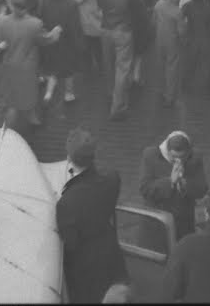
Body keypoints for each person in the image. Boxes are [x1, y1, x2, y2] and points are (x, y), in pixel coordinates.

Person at [55, 129, 129, 305]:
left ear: (69, 158)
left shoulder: (66, 203)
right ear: (93, 155)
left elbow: (70, 243)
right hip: (112, 258)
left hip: (85, 273)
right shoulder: (112, 178)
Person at [0, 0, 61, 129]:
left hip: (9, 65)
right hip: (28, 67)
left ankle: (8, 131)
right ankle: (32, 118)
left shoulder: (2, 21)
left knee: (12, 102)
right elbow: (47, 40)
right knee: (29, 95)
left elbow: (0, 43)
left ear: (11, 6)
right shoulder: (35, 23)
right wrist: (56, 31)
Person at [139, 131, 209, 240]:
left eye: (182, 158)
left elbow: (202, 189)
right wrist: (170, 182)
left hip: (185, 224)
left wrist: (185, 183)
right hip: (157, 224)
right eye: (174, 157)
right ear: (167, 151)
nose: (178, 161)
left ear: (188, 152)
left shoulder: (196, 157)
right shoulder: (150, 155)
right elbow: (145, 189)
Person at [96, 0, 135, 120]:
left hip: (106, 29)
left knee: (109, 64)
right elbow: (133, 9)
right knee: (122, 69)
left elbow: (100, 5)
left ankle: (111, 92)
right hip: (123, 30)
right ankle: (118, 107)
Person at [153, 0, 185, 107]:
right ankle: (170, 96)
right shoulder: (177, 12)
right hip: (172, 42)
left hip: (159, 39)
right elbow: (181, 31)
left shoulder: (158, 4)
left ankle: (160, 89)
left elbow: (154, 21)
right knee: (171, 68)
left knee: (160, 64)